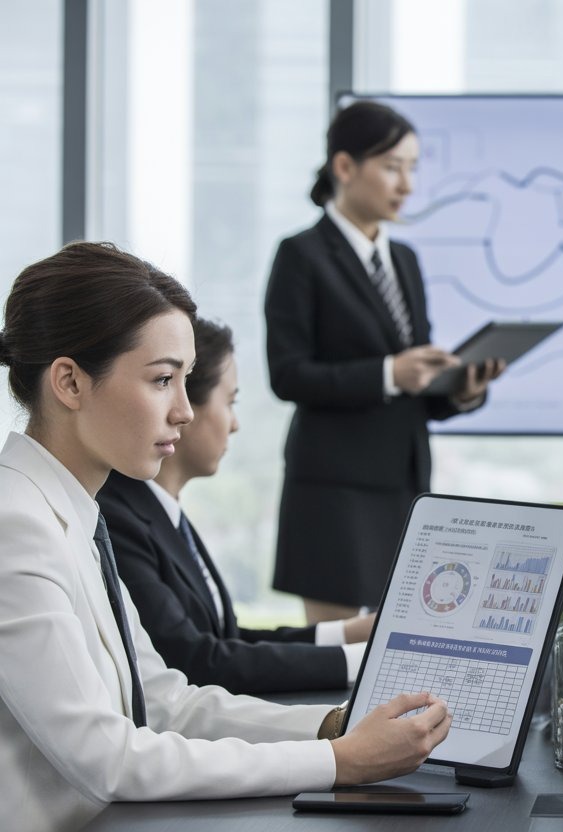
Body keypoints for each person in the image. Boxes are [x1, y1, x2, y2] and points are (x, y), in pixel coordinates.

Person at [0, 242, 451, 832]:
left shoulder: (73, 514)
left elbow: (164, 702)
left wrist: (332, 727)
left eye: (186, 381)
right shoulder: (17, 526)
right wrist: (337, 761)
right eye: (163, 379)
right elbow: (106, 758)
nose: (185, 411)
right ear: (70, 382)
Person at [265, 101, 505, 623]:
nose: (407, 184)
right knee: (335, 656)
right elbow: (287, 374)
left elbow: (415, 385)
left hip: (404, 482)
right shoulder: (301, 255)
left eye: (412, 168)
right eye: (393, 166)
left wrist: (460, 388)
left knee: (403, 645)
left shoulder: (405, 261)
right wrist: (387, 372)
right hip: (335, 488)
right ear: (345, 167)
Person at [98, 317, 373, 694]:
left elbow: (227, 638)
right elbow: (196, 658)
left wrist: (347, 633)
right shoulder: (116, 517)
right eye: (229, 402)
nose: (235, 424)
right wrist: (365, 661)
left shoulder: (162, 512)